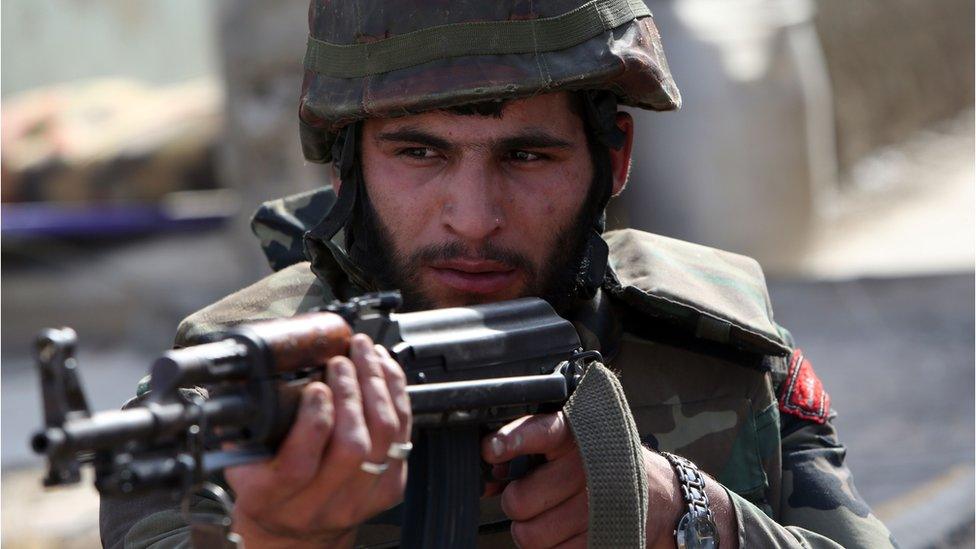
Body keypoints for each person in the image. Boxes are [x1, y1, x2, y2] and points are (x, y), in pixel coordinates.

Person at [101, 1, 897, 547]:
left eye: (527, 154)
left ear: (613, 158)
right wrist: (274, 538)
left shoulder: (722, 352)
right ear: (348, 172)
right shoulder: (216, 404)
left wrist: (687, 513)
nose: (474, 217)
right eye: (420, 153)